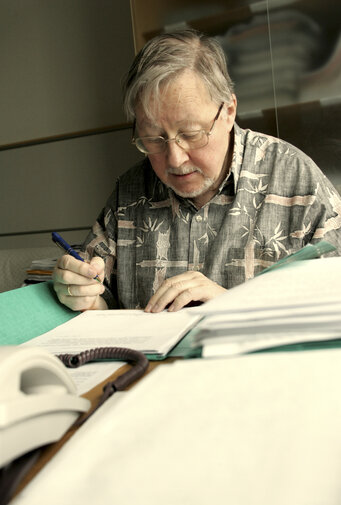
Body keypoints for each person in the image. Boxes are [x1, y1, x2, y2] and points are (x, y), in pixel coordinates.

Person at [53, 29, 341, 313]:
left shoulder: (295, 180)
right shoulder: (129, 193)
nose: (175, 159)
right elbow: (98, 290)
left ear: (228, 110)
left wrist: (235, 305)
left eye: (191, 134)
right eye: (153, 138)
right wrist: (88, 299)